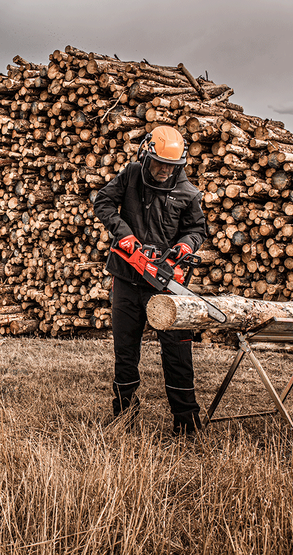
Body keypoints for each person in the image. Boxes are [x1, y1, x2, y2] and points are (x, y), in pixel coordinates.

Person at [93, 125, 207, 435]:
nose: (162, 170)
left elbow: (197, 230)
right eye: (159, 163)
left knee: (177, 353)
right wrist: (125, 234)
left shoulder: (188, 192)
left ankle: (186, 423)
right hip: (127, 278)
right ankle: (124, 414)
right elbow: (102, 202)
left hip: (164, 283)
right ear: (146, 154)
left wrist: (185, 246)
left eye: (170, 166)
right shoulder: (131, 174)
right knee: (125, 351)